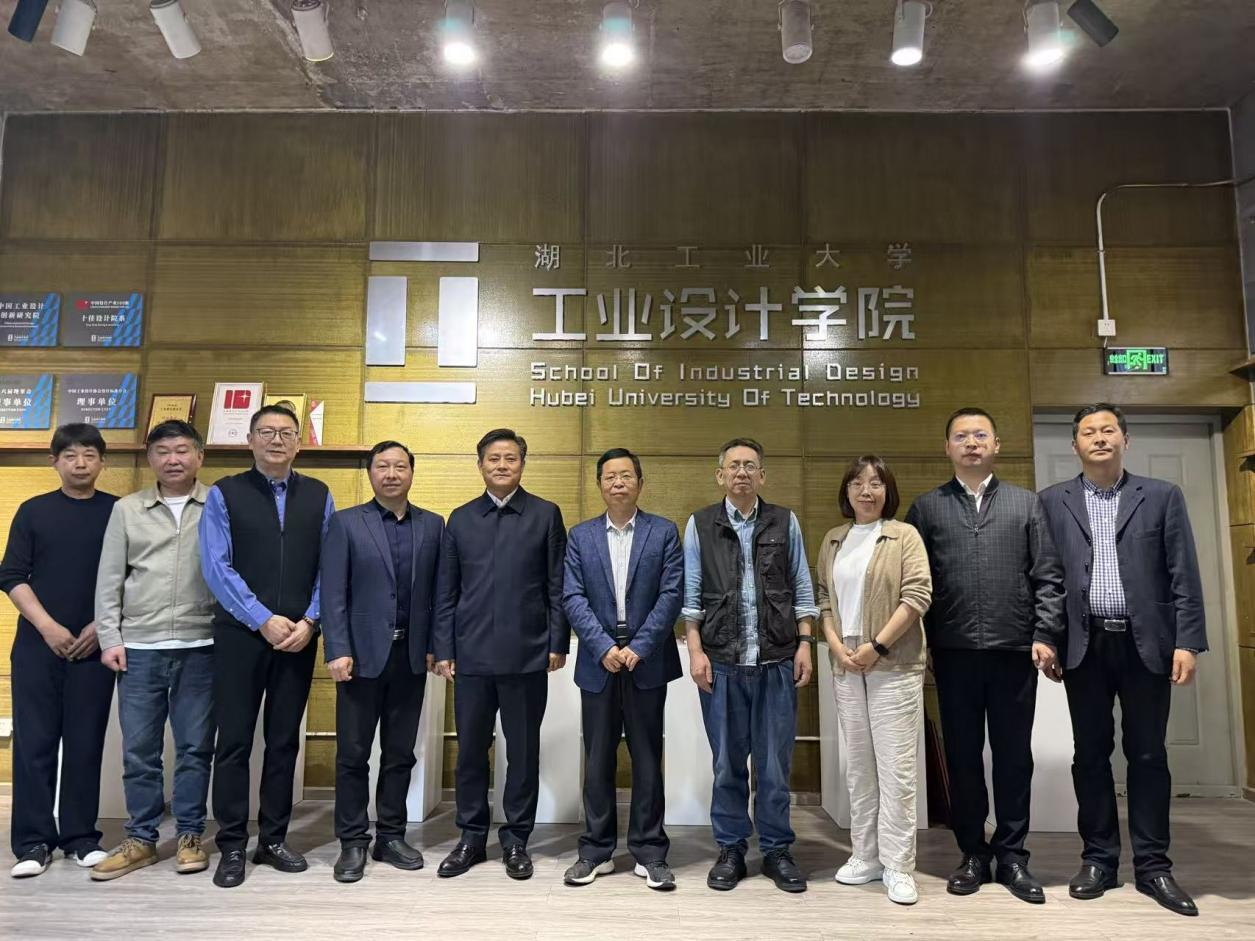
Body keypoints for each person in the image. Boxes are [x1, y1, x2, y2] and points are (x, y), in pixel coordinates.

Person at [1039, 404, 1205, 917]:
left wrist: (1188, 641)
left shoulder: (1161, 496)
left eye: (1108, 430)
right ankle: (1099, 861)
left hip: (1146, 643)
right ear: (1075, 445)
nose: (1099, 438)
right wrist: (1046, 636)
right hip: (1083, 645)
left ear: (1125, 440)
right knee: (1090, 756)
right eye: (1088, 432)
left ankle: (1154, 867)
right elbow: (1045, 576)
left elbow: (1183, 573)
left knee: (1148, 755)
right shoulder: (1053, 501)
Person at [905, 407, 1065, 904]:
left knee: (1014, 757)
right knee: (963, 758)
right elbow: (914, 585)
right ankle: (973, 852)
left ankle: (1013, 855)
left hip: (1014, 651)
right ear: (947, 448)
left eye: (980, 435)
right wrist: (923, 644)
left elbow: (1048, 576)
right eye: (961, 436)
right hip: (953, 654)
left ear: (996, 445)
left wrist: (1046, 632)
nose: (971, 443)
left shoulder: (1026, 504)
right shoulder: (926, 509)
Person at [199, 404, 334, 888]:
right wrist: (261, 619)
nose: (277, 440)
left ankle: (273, 839)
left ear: (299, 443)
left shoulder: (318, 494)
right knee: (234, 741)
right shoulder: (225, 493)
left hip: (299, 637)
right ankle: (232, 843)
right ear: (250, 440)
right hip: (240, 636)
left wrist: (311, 620)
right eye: (267, 432)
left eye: (286, 433)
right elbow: (216, 566)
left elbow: (330, 565)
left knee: (283, 741)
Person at [681, 437, 818, 894]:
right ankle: (731, 848)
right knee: (727, 764)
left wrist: (804, 643)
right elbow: (691, 595)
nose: (742, 472)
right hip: (721, 663)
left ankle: (777, 849)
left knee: (774, 765)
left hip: (776, 660)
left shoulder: (784, 521)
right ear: (720, 475)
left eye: (750, 466)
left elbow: (801, 585)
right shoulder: (701, 524)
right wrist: (695, 651)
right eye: (734, 465)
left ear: (762, 475)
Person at [433, 428, 568, 881]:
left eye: (511, 458)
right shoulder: (461, 519)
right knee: (471, 751)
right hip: (470, 657)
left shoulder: (545, 515)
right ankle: (471, 837)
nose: (502, 465)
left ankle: (516, 840)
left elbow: (556, 585)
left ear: (522, 465)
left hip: (527, 655)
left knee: (523, 752)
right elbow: (446, 592)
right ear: (480, 465)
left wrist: (557, 642)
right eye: (493, 458)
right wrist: (444, 648)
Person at [90, 420, 215, 881]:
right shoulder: (127, 509)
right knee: (140, 751)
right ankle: (141, 838)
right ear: (150, 459)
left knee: (195, 748)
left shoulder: (218, 505)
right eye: (163, 451)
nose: (173, 459)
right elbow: (109, 579)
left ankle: (189, 835)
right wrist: (110, 638)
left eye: (182, 450)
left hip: (202, 644)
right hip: (139, 646)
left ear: (199, 456)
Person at [320, 440, 444, 884]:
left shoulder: (433, 525)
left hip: (410, 657)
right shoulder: (346, 523)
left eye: (400, 466)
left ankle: (390, 836)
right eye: (383, 466)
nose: (392, 474)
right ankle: (352, 840)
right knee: (353, 754)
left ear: (412, 472)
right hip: (359, 657)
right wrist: (337, 648)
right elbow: (333, 592)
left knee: (400, 754)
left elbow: (439, 594)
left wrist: (437, 645)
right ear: (370, 473)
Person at [561, 448, 684, 891]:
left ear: (640, 483)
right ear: (599, 484)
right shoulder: (580, 536)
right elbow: (572, 596)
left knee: (648, 757)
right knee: (598, 759)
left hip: (646, 661)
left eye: (626, 475)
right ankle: (596, 851)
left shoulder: (663, 532)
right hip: (599, 662)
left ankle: (650, 853)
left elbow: (671, 594)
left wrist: (639, 647)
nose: (618, 483)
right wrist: (602, 647)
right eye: (610, 476)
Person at [0, 423, 117, 878]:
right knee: (35, 743)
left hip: (95, 646)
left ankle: (80, 838)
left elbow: (131, 577)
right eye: (70, 455)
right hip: (37, 646)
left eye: (89, 455)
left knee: (86, 743)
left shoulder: (118, 511)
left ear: (102, 462)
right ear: (55, 462)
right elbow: (12, 575)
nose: (80, 463)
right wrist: (48, 628)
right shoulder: (33, 511)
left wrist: (99, 626)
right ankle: (32, 842)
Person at [816, 455, 931, 905]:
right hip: (846, 664)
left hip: (893, 662)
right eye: (858, 483)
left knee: (896, 769)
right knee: (860, 767)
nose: (866, 491)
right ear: (846, 491)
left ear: (888, 491)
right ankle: (865, 855)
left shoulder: (904, 536)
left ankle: (899, 865)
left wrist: (876, 646)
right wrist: (836, 646)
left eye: (876, 483)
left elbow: (917, 595)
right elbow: (824, 600)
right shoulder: (834, 539)